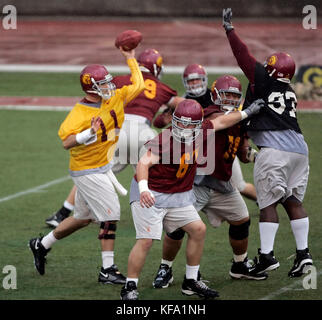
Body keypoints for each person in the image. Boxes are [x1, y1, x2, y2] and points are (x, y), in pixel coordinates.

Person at [120, 97, 265, 300]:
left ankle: (190, 282)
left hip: (177, 194)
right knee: (145, 241)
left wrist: (246, 112)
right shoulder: (165, 139)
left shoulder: (204, 130)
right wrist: (144, 189)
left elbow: (222, 121)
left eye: (189, 124)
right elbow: (143, 164)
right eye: (180, 122)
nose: (183, 127)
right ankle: (129, 287)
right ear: (174, 120)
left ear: (199, 125)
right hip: (152, 193)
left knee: (198, 229)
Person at [29, 46, 145, 285]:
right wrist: (85, 134)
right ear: (90, 87)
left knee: (82, 218)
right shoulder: (79, 113)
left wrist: (131, 60)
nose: (109, 87)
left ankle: (42, 244)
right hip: (86, 170)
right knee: (111, 214)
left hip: (101, 165)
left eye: (108, 83)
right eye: (103, 84)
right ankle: (108, 270)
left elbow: (140, 86)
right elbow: (66, 142)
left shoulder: (115, 97)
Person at [45, 48, 183, 228]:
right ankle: (165, 214)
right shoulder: (161, 87)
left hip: (118, 133)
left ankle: (63, 212)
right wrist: (168, 114)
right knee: (151, 175)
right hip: (142, 132)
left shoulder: (118, 80)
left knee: (92, 171)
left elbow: (101, 97)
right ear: (156, 68)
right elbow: (182, 104)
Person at [222, 8, 313, 277]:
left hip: (275, 151)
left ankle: (266, 256)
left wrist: (229, 30)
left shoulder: (264, 80)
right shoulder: (288, 90)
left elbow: (243, 57)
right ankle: (303, 255)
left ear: (271, 69)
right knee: (293, 201)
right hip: (300, 149)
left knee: (268, 205)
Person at [152, 75, 265, 290]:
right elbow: (220, 121)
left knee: (242, 220)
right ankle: (165, 268)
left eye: (234, 95)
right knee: (178, 228)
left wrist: (258, 157)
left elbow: (242, 153)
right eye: (227, 95)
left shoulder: (239, 120)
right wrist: (245, 113)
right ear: (215, 96)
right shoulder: (210, 113)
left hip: (222, 183)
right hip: (196, 182)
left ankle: (239, 265)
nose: (231, 99)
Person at [154, 63, 257, 201]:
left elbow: (226, 118)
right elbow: (159, 122)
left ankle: (263, 202)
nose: (195, 83)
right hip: (202, 150)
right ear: (185, 83)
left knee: (239, 185)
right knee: (188, 182)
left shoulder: (218, 94)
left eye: (198, 79)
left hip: (225, 146)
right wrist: (168, 115)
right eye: (191, 81)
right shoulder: (183, 102)